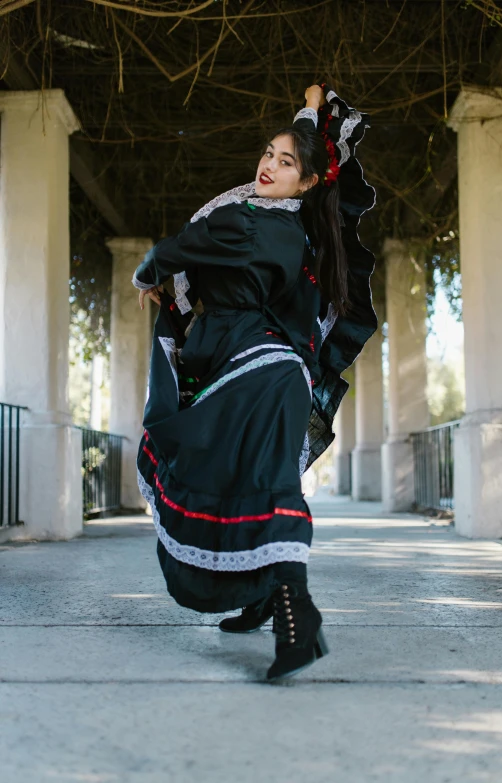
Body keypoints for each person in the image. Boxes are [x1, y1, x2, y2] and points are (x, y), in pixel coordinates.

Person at [132, 83, 377, 682]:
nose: (268, 165)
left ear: (308, 181)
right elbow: (308, 161)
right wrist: (311, 112)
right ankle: (267, 597)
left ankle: (299, 620)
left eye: (285, 162)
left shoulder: (241, 222)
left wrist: (147, 277)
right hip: (281, 373)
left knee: (229, 477)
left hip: (253, 373)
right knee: (261, 483)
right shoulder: (301, 234)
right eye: (268, 153)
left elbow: (170, 250)